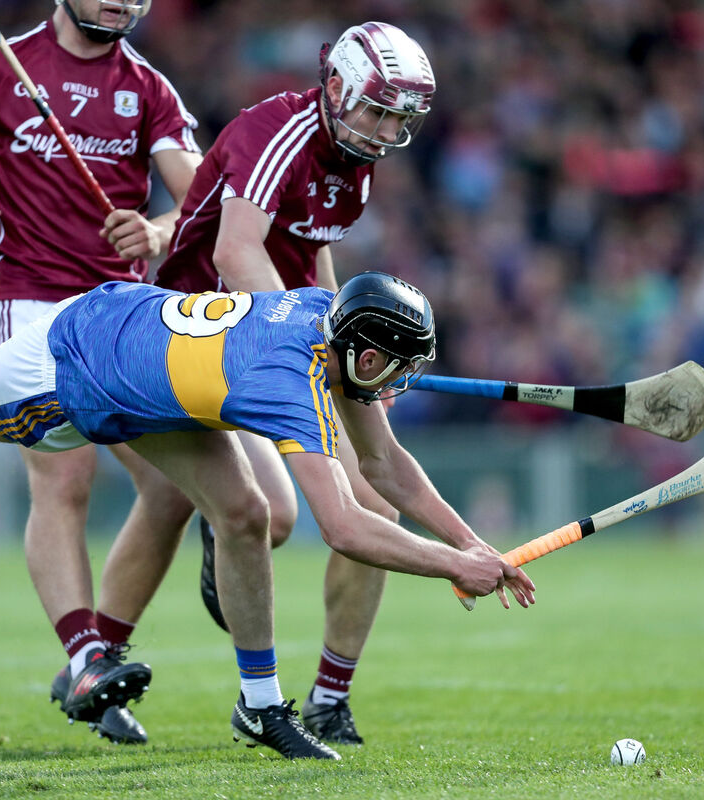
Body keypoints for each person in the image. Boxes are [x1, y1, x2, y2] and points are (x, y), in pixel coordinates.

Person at [0, 165, 536, 760]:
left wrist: (473, 546)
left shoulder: (323, 325)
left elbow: (391, 469)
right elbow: (347, 529)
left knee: (244, 512)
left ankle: (261, 707)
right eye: (394, 368)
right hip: (85, 359)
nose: (398, 385)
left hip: (158, 379)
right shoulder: (296, 380)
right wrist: (450, 566)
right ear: (362, 351)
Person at [99, 20, 438, 745]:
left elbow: (313, 261)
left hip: (278, 338)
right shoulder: (275, 130)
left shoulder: (356, 162)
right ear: (339, 86)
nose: (385, 129)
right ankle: (107, 644)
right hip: (201, 334)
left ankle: (328, 697)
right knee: (268, 518)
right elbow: (234, 247)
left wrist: (358, 339)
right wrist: (314, 337)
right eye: (378, 109)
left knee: (374, 502)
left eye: (398, 118)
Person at [0, 0, 202, 743]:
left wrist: (153, 230)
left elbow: (195, 200)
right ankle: (85, 649)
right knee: (64, 478)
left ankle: (97, 654)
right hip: (28, 300)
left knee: (172, 490)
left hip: (121, 309)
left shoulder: (150, 88)